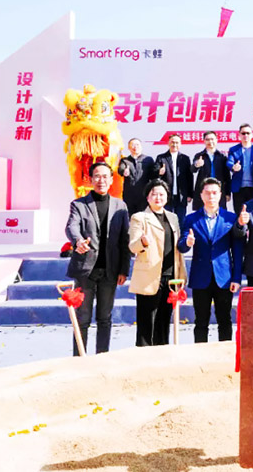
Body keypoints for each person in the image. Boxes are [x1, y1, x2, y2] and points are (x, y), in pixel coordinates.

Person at [65, 162, 131, 356]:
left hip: (110, 271)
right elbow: (71, 226)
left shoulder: (120, 206)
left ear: (111, 180)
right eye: (97, 176)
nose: (101, 180)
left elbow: (125, 240)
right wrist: (78, 241)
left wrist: (123, 269)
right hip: (86, 271)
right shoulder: (79, 204)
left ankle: (102, 358)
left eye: (105, 176)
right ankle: (79, 359)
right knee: (83, 318)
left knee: (105, 318)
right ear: (90, 179)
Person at [180, 178, 242, 343]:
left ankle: (225, 354)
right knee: (201, 321)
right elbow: (181, 245)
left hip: (224, 277)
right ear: (201, 195)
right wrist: (187, 243)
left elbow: (237, 250)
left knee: (225, 320)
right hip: (201, 277)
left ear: (220, 195)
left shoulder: (230, 218)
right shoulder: (191, 219)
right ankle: (200, 355)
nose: (211, 197)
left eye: (214, 193)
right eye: (207, 193)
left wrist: (236, 277)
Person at [127, 179, 188, 346]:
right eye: (154, 194)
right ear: (148, 197)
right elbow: (133, 246)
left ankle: (163, 353)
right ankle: (144, 354)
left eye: (162, 194)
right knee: (147, 321)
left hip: (170, 276)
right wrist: (143, 242)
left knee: (164, 321)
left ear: (167, 197)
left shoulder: (173, 218)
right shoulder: (139, 217)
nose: (158, 198)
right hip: (149, 276)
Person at [156, 134, 194, 229]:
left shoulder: (185, 158)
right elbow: (154, 174)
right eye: (172, 142)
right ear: (168, 143)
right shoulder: (161, 158)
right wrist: (159, 172)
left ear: (180, 144)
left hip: (181, 196)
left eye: (177, 142)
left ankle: (179, 238)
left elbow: (189, 177)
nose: (174, 144)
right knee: (166, 222)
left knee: (180, 221)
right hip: (166, 196)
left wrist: (190, 194)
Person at [227, 123, 253, 212]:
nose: (246, 135)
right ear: (239, 135)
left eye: (248, 133)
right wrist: (233, 167)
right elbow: (229, 162)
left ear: (252, 135)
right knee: (239, 213)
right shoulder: (234, 149)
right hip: (239, 188)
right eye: (243, 133)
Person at [192, 131, 230, 211]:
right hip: (204, 190)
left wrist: (227, 193)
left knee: (220, 213)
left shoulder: (222, 156)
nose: (210, 142)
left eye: (212, 139)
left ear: (216, 140)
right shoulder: (200, 155)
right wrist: (197, 165)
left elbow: (227, 176)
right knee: (201, 213)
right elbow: (192, 169)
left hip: (218, 190)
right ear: (204, 141)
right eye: (207, 139)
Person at [118, 138, 155, 215]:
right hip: (129, 195)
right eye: (132, 145)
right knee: (130, 217)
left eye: (137, 145)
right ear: (129, 147)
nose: (135, 147)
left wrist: (159, 172)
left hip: (144, 195)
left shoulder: (148, 159)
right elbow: (120, 169)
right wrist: (124, 172)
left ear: (141, 146)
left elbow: (153, 175)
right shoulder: (125, 160)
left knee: (143, 216)